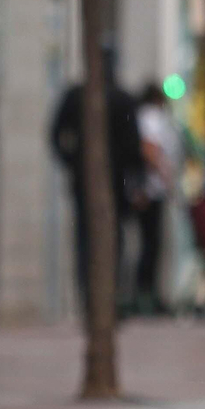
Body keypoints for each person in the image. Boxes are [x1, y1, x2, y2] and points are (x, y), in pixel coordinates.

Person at [49, 45, 145, 314]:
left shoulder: (83, 96)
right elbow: (134, 148)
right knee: (107, 244)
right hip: (106, 184)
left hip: (105, 183)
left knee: (93, 243)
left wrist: (72, 163)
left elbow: (56, 136)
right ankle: (102, 302)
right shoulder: (112, 98)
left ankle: (97, 302)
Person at [134, 82, 182, 315]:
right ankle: (145, 296)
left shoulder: (146, 116)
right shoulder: (150, 117)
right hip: (150, 191)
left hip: (153, 189)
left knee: (152, 244)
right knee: (150, 244)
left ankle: (148, 294)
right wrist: (165, 177)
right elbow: (149, 149)